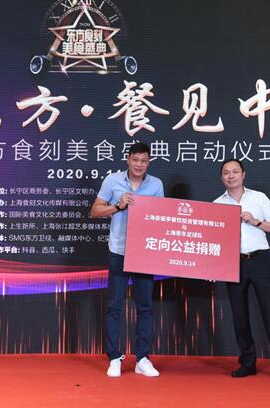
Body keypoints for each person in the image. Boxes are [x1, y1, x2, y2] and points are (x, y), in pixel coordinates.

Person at [213, 159, 270, 382]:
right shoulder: (217, 204)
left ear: (243, 174)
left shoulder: (258, 198)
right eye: (226, 173)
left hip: (260, 261)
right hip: (233, 263)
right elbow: (214, 241)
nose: (231, 176)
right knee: (240, 316)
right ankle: (248, 363)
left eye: (235, 171)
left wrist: (256, 222)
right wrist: (212, 267)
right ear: (221, 178)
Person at [90, 142, 164, 377]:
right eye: (135, 160)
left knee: (145, 307)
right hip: (118, 251)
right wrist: (118, 206)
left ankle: (142, 358)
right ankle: (114, 358)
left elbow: (162, 217)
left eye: (144, 161)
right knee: (114, 306)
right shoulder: (112, 181)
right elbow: (95, 211)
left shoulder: (156, 184)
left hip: (144, 253)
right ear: (128, 160)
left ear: (148, 162)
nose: (139, 164)